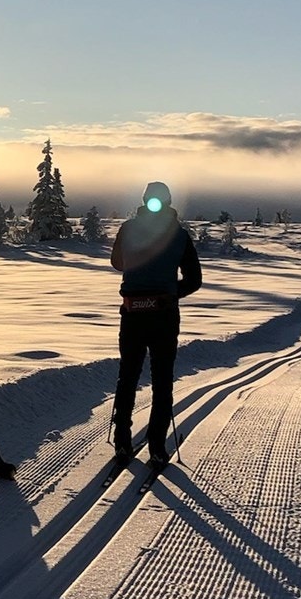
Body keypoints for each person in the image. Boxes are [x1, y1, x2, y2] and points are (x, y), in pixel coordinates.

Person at [110, 181, 202, 466]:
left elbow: (117, 263)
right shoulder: (180, 235)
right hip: (164, 316)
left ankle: (123, 442)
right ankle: (157, 448)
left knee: (128, 377)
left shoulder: (127, 229)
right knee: (162, 381)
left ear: (144, 200)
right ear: (169, 202)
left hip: (132, 314)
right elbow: (194, 280)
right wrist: (171, 292)